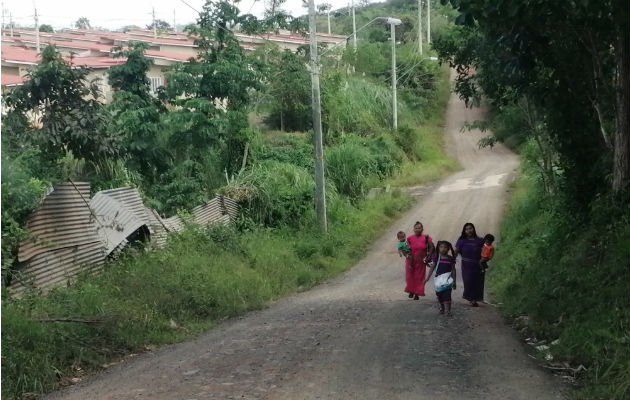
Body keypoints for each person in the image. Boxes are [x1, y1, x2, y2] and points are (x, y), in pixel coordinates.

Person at [455, 222, 485, 307]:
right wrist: (452, 260)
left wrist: (485, 259)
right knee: (468, 281)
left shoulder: (480, 240)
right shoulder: (461, 241)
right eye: (467, 229)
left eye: (470, 228)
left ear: (474, 229)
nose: (469, 230)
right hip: (466, 265)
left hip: (477, 265)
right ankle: (471, 298)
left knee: (477, 282)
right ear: (464, 231)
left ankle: (474, 299)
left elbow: (487, 249)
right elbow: (456, 251)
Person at [425, 240, 457, 316]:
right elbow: (432, 268)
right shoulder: (436, 258)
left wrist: (454, 281)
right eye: (441, 247)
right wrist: (427, 278)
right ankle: (442, 308)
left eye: (445, 247)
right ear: (438, 248)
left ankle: (447, 311)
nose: (443, 249)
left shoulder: (450, 259)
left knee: (447, 296)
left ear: (448, 249)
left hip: (447, 281)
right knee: (439, 295)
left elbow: (453, 270)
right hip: (438, 281)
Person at [405, 221, 435, 300]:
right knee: (410, 276)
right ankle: (411, 290)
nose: (418, 229)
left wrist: (429, 256)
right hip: (410, 260)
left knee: (419, 277)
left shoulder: (426, 238)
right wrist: (406, 254)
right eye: (416, 228)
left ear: (422, 229)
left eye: (419, 228)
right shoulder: (409, 238)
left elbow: (432, 247)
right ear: (413, 229)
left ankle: (417, 293)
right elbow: (405, 248)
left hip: (421, 260)